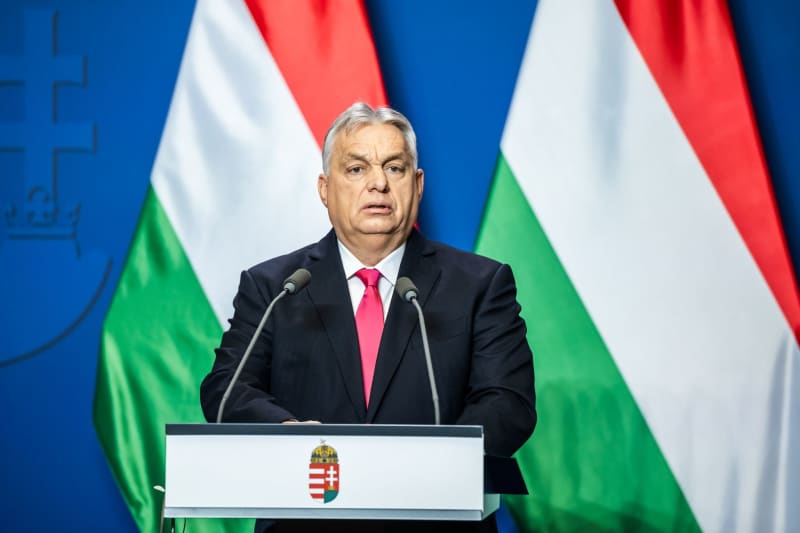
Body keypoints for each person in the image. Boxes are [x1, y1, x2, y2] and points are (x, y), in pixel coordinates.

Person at [200, 102, 536, 532]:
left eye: (394, 168)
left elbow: (508, 402)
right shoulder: (274, 287)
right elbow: (227, 389)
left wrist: (432, 462)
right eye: (356, 169)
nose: (378, 183)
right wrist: (287, 431)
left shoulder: (480, 285)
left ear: (417, 185)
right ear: (325, 188)